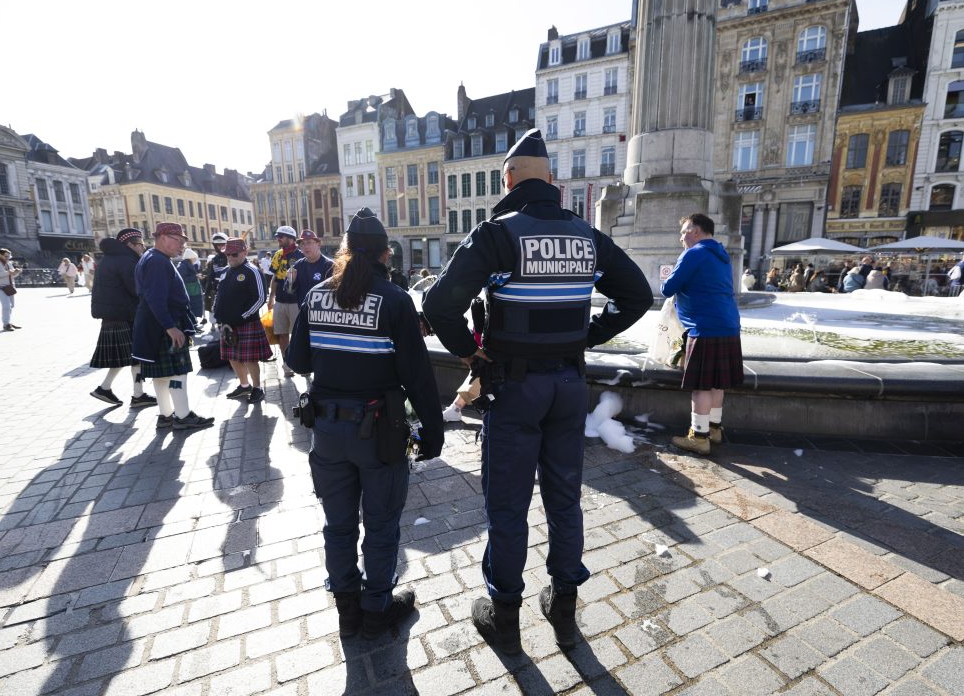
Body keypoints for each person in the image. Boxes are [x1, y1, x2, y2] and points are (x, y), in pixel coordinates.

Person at [422, 128, 653, 654]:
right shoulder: (584, 234)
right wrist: (586, 335)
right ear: (550, 178)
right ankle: (564, 599)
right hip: (569, 385)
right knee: (564, 496)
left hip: (514, 387)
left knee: (507, 504)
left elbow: (439, 307)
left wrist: (471, 354)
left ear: (507, 178)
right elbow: (637, 295)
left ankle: (504, 612)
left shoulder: (497, 234)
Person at [286, 208, 444, 640]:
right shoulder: (394, 300)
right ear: (385, 253)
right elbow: (418, 375)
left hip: (327, 434)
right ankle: (376, 609)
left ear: (345, 251)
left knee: (337, 525)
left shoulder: (317, 294)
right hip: (380, 434)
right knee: (381, 524)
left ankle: (347, 611)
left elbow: (295, 360)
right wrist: (433, 430)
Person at [662, 213, 744, 458]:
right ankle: (715, 429)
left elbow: (668, 288)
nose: (681, 238)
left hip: (704, 327)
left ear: (695, 231)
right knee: (717, 382)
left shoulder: (694, 253)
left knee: (700, 387)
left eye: (684, 231)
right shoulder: (720, 254)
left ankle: (699, 437)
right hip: (728, 325)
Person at [131, 223, 214, 430]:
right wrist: (170, 326)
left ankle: (166, 414)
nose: (181, 247)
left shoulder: (151, 257)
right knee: (177, 372)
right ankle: (183, 415)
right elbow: (156, 298)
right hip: (164, 324)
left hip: (154, 323)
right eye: (179, 241)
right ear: (164, 237)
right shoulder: (158, 262)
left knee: (161, 374)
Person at [88, 229, 157, 408]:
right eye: (140, 243)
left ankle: (128, 392)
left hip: (115, 313)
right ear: (130, 245)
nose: (143, 247)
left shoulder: (111, 258)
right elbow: (137, 289)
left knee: (131, 357)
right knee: (135, 356)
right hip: (124, 313)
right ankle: (129, 392)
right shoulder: (126, 261)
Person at [214, 238, 271, 404]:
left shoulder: (252, 270)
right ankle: (244, 385)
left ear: (245, 252)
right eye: (227, 254)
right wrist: (218, 315)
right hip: (227, 323)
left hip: (246, 322)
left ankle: (257, 388)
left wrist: (243, 316)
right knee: (232, 356)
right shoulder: (225, 271)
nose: (230, 257)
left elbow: (261, 297)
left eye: (234, 254)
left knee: (250, 358)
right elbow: (219, 295)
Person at [267, 225, 304, 377]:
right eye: (277, 236)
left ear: (291, 238)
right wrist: (271, 298)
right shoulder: (278, 255)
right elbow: (275, 278)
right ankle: (287, 362)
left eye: (281, 236)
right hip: (281, 301)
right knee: (282, 333)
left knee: (299, 334)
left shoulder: (301, 255)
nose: (278, 239)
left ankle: (302, 363)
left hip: (296, 301)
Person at [290, 229, 334, 307]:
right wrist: (291, 280)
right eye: (302, 244)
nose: (306, 247)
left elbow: (335, 294)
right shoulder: (298, 265)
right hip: (303, 313)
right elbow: (289, 291)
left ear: (319, 244)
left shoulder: (329, 266)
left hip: (323, 314)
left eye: (309, 242)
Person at [201, 231, 230, 327]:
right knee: (216, 310)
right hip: (217, 289)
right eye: (218, 245)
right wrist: (208, 288)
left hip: (231, 288)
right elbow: (212, 276)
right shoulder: (214, 260)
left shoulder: (232, 255)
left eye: (222, 244)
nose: (220, 247)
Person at [178, 248, 204, 325]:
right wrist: (195, 277)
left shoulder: (186, 264)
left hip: (192, 290)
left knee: (193, 306)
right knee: (191, 306)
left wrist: (196, 276)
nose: (195, 259)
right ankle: (192, 324)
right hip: (190, 290)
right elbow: (182, 278)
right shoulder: (184, 265)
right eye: (194, 258)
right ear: (190, 257)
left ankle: (194, 322)